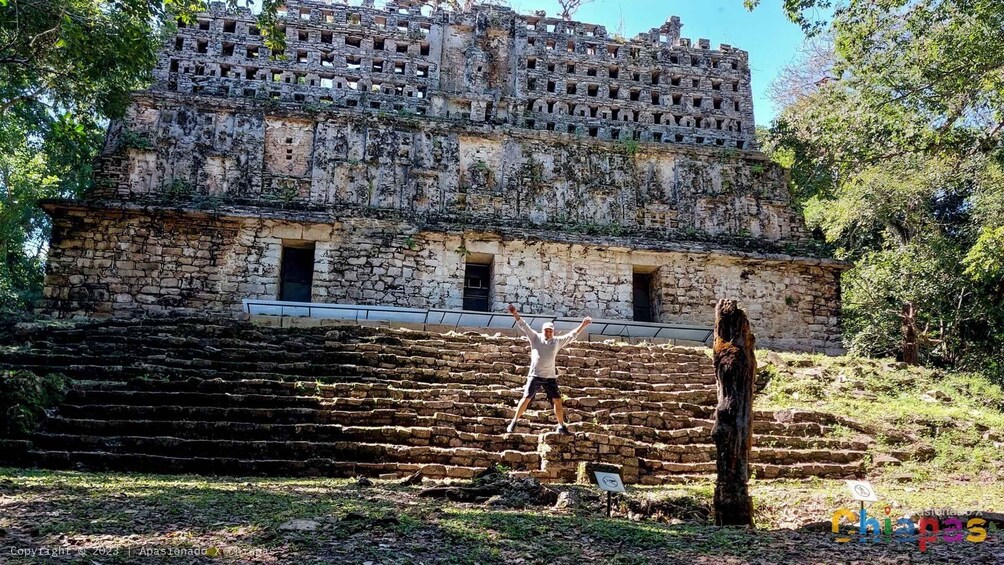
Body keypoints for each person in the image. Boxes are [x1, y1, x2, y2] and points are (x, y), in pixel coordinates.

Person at [504, 303, 591, 435]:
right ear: (543, 330)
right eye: (546, 330)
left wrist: (583, 325)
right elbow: (524, 326)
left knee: (557, 400)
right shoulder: (535, 338)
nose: (548, 333)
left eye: (550, 331)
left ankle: (561, 426)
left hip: (550, 377)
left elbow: (572, 335)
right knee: (526, 397)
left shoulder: (557, 341)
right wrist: (515, 313)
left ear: (553, 332)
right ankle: (514, 421)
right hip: (535, 375)